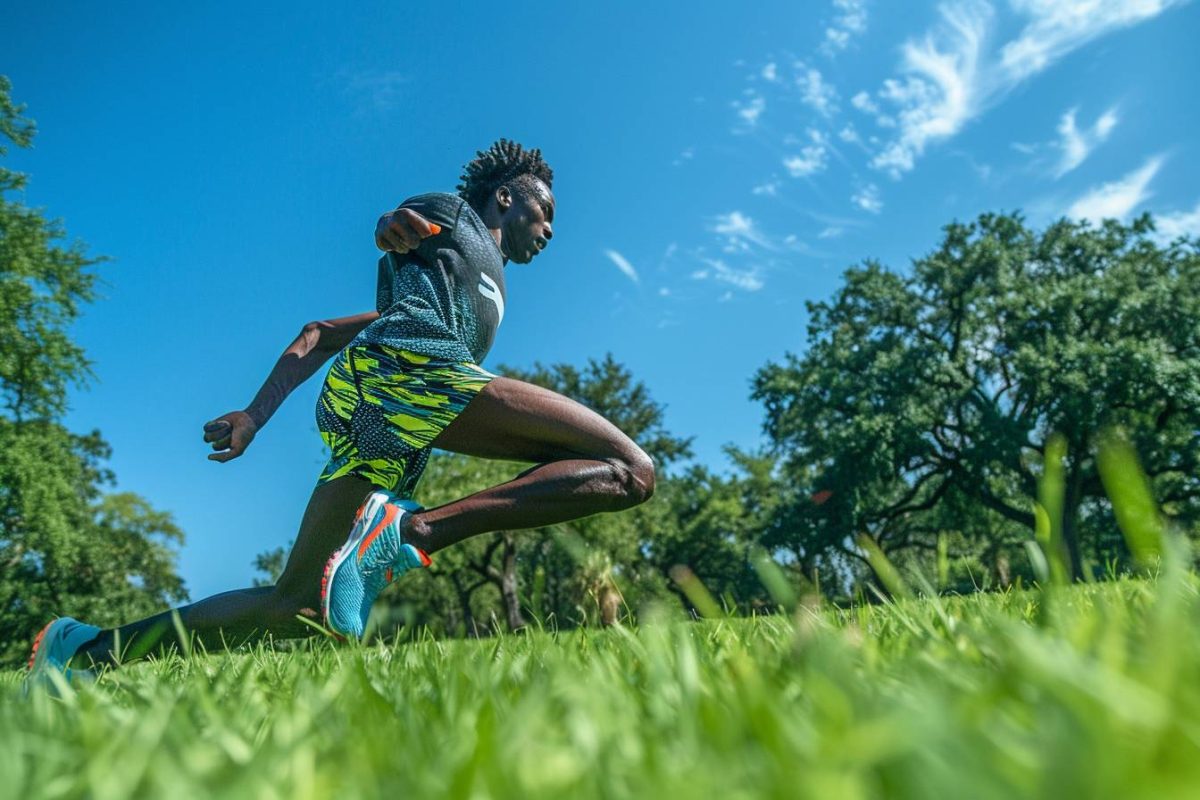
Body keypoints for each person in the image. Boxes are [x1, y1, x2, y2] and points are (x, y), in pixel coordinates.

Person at [25, 139, 655, 685]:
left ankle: (81, 652)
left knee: (295, 605)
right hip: (404, 378)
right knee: (629, 468)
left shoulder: (467, 285)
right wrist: (395, 226)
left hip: (386, 414)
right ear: (508, 199)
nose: (549, 231)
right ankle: (414, 533)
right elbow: (405, 224)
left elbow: (321, 332)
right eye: (545, 212)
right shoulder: (457, 219)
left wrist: (254, 414)